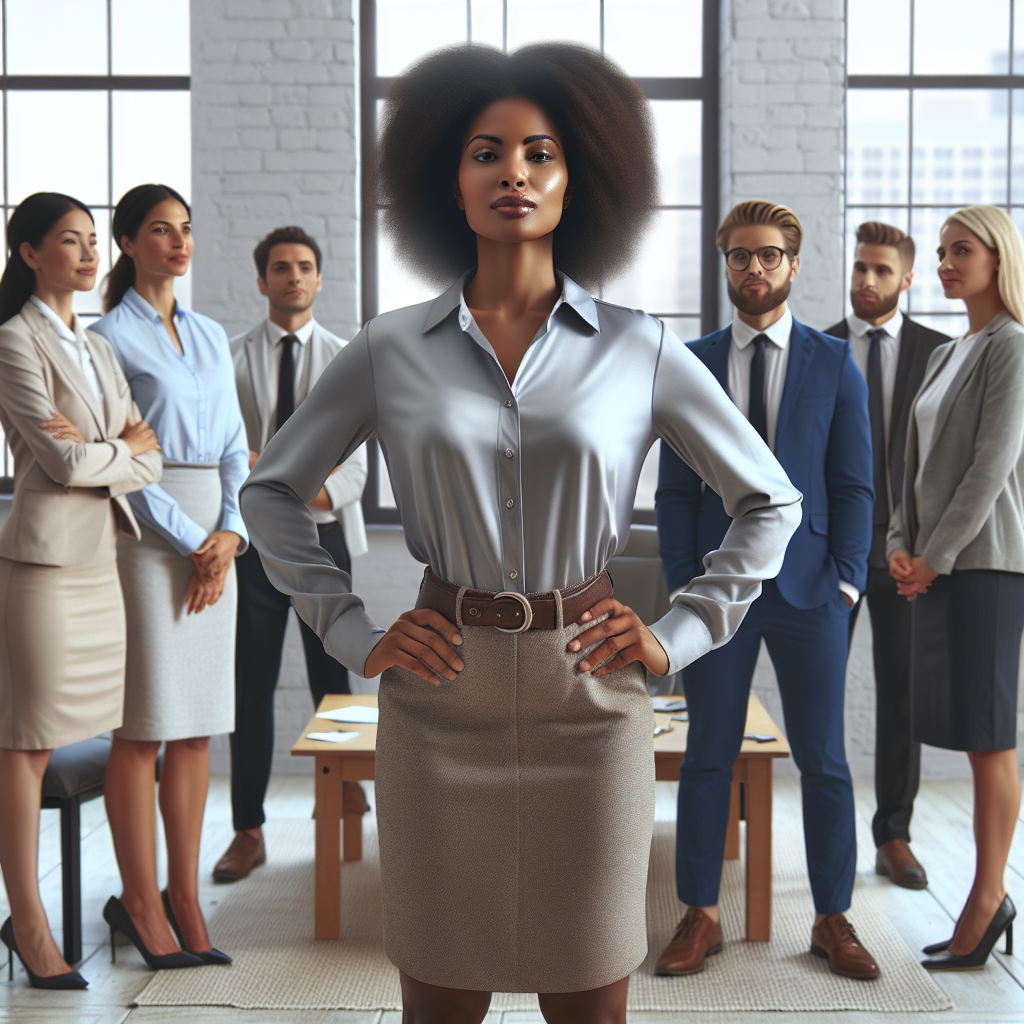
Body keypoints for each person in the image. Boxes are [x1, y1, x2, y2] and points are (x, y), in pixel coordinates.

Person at [240, 44, 801, 1024]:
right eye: (485, 152)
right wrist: (346, 629)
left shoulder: (640, 346)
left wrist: (678, 632)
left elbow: (772, 501)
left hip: (588, 700)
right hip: (435, 698)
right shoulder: (386, 350)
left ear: (576, 180)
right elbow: (271, 491)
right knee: (439, 1000)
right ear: (446, 184)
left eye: (540, 153)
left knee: (589, 1000)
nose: (514, 173)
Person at [655, 200, 878, 981]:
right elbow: (675, 490)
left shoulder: (831, 362)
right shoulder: (690, 361)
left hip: (812, 589)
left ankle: (832, 918)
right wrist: (687, 586)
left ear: (792, 264)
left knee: (824, 759)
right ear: (725, 264)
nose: (754, 268)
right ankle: (700, 915)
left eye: (770, 256)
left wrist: (849, 583)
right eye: (741, 256)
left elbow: (853, 485)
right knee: (707, 755)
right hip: (717, 595)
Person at [0, 193, 163, 988]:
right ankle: (27, 923)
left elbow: (151, 453)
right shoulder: (13, 340)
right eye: (70, 240)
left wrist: (109, 449)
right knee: (26, 744)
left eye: (93, 240)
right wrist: (116, 451)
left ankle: (36, 918)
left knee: (82, 731)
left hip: (101, 563)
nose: (89, 253)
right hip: (42, 569)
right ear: (30, 252)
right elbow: (62, 466)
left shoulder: (94, 347)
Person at [90, 184, 248, 969]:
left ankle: (187, 898)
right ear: (127, 242)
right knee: (144, 725)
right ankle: (141, 901)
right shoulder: (107, 339)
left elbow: (238, 448)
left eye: (186, 228)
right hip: (148, 539)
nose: (179, 241)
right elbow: (125, 459)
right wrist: (194, 541)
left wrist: (231, 534)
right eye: (160, 229)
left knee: (196, 727)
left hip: (215, 533)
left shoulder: (214, 334)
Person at [888, 205, 1024, 971]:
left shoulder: (1012, 348)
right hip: (938, 566)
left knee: (989, 739)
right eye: (940, 252)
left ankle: (986, 898)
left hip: (988, 569)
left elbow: (991, 466)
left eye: (960, 250)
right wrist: (901, 547)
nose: (945, 263)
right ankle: (986, 899)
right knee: (971, 735)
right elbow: (910, 466)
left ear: (997, 256)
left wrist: (932, 556)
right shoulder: (948, 353)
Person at [214, 225, 369, 884]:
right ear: (263, 280)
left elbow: (360, 455)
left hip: (324, 535)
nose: (293, 277)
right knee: (248, 686)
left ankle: (340, 809)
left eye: (304, 266)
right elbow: (226, 449)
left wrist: (300, 484)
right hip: (251, 543)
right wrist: (259, 479)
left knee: (332, 681)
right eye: (281, 267)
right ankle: (247, 829)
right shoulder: (229, 356)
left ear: (319, 277)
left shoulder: (348, 357)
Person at [824, 222, 948, 890]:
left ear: (905, 280)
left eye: (880, 271)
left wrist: (927, 548)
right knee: (822, 692)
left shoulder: (942, 352)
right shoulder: (818, 347)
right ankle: (827, 833)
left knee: (903, 695)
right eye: (859, 268)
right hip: (832, 554)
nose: (866, 280)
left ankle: (893, 835)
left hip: (908, 555)